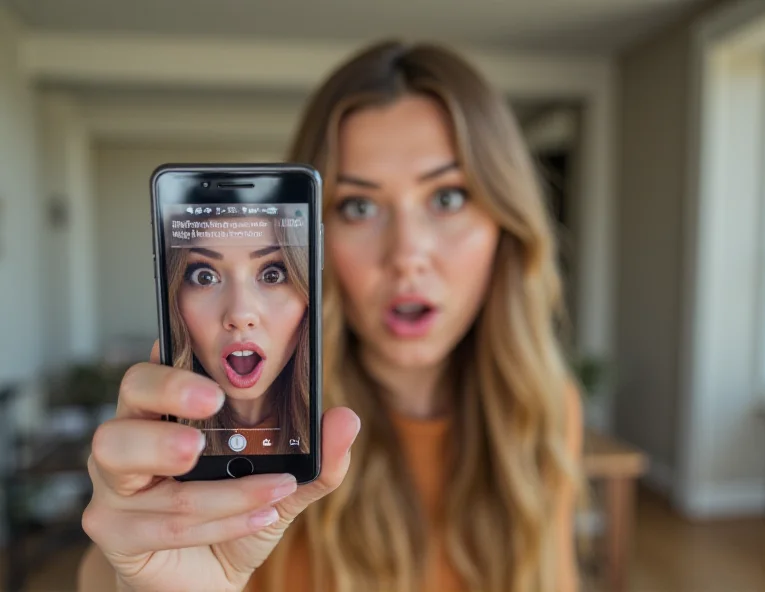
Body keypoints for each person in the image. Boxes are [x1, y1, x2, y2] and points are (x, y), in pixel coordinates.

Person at [78, 40, 583, 592]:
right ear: (310, 239)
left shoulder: (542, 408)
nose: (406, 255)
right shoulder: (262, 431)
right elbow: (108, 573)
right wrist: (137, 576)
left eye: (448, 197)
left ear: (504, 225)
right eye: (358, 206)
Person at [166, 206, 310, 455]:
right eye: (204, 278)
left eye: (273, 275)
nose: (240, 315)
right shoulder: (159, 437)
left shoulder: (354, 424)